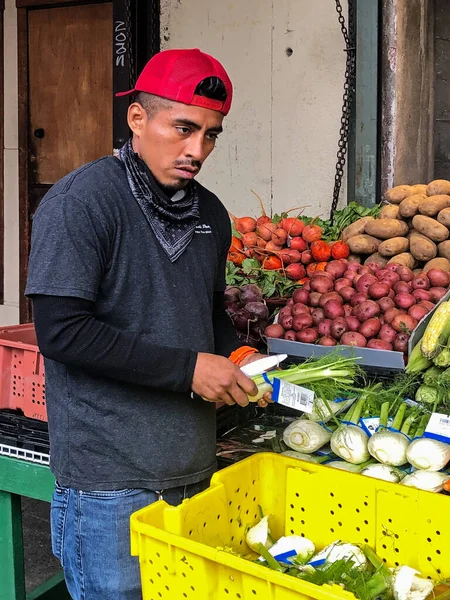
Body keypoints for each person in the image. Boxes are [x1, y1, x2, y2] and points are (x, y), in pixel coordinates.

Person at [25, 47, 271, 599]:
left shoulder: (209, 212)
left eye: (211, 134)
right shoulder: (81, 202)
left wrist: (237, 355)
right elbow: (62, 332)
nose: (197, 149)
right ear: (138, 118)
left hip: (193, 470)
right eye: (183, 128)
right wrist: (187, 370)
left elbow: (206, 311)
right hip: (110, 484)